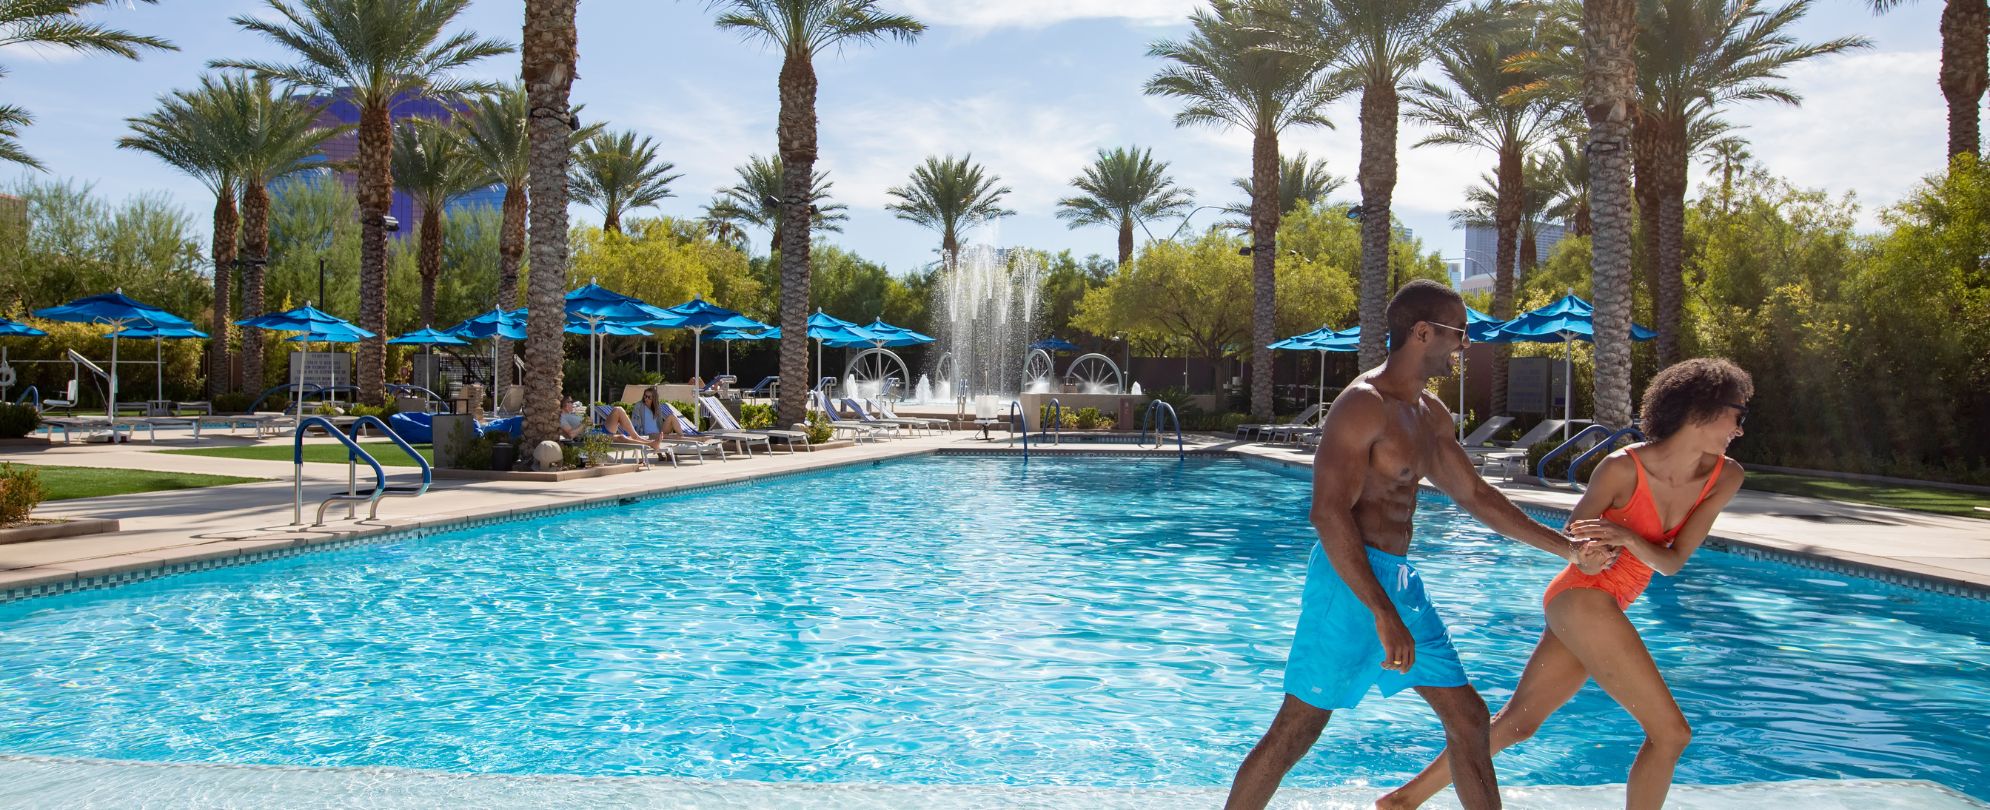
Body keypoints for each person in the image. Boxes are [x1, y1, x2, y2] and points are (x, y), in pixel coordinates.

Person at [1225, 280, 1613, 810]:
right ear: (1422, 332)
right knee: (1297, 729)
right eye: (1459, 333)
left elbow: (1475, 494)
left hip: (1400, 581)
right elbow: (1327, 512)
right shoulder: (1363, 406)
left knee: (1469, 717)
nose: (1465, 345)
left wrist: (1566, 548)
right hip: (1350, 582)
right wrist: (1382, 612)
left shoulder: (1431, 415)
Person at [1378, 358, 1750, 810]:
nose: (1740, 428)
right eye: (1737, 414)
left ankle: (1404, 800)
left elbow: (1671, 563)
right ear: (1702, 410)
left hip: (1606, 605)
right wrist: (1592, 555)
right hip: (1582, 597)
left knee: (1519, 723)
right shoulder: (1621, 470)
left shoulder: (1725, 477)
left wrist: (1629, 536)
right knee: (1672, 733)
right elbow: (1575, 540)